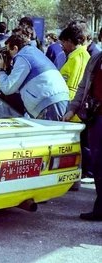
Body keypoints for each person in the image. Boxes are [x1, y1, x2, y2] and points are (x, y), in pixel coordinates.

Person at [0, 28, 69, 121]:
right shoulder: (32, 52)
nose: (8, 55)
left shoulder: (23, 57)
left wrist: (1, 69)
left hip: (49, 104)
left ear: (16, 48)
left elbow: (8, 88)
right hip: (55, 100)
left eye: (9, 51)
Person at [62, 49, 102, 221]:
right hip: (96, 118)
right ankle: (100, 209)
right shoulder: (95, 60)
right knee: (98, 165)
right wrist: (72, 109)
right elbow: (83, 87)